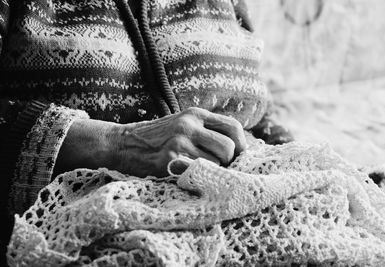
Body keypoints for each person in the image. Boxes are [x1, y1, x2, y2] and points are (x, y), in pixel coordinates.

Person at [0, 0, 293, 264]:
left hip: (247, 232)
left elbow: (258, 111)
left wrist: (295, 166)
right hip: (83, 240)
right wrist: (119, 145)